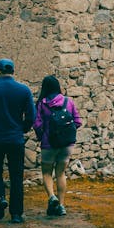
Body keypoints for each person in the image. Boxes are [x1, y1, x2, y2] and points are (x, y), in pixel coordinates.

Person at [0, 58, 35, 224]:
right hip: (15, 139)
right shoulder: (24, 90)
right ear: (13, 71)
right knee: (16, 176)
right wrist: (22, 129)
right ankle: (16, 214)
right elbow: (31, 116)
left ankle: (0, 197)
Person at [34, 75, 81, 217]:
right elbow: (78, 121)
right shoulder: (69, 101)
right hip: (67, 145)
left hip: (49, 144)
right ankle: (61, 206)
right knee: (61, 173)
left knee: (47, 173)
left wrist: (43, 135)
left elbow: (37, 124)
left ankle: (51, 197)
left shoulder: (42, 104)